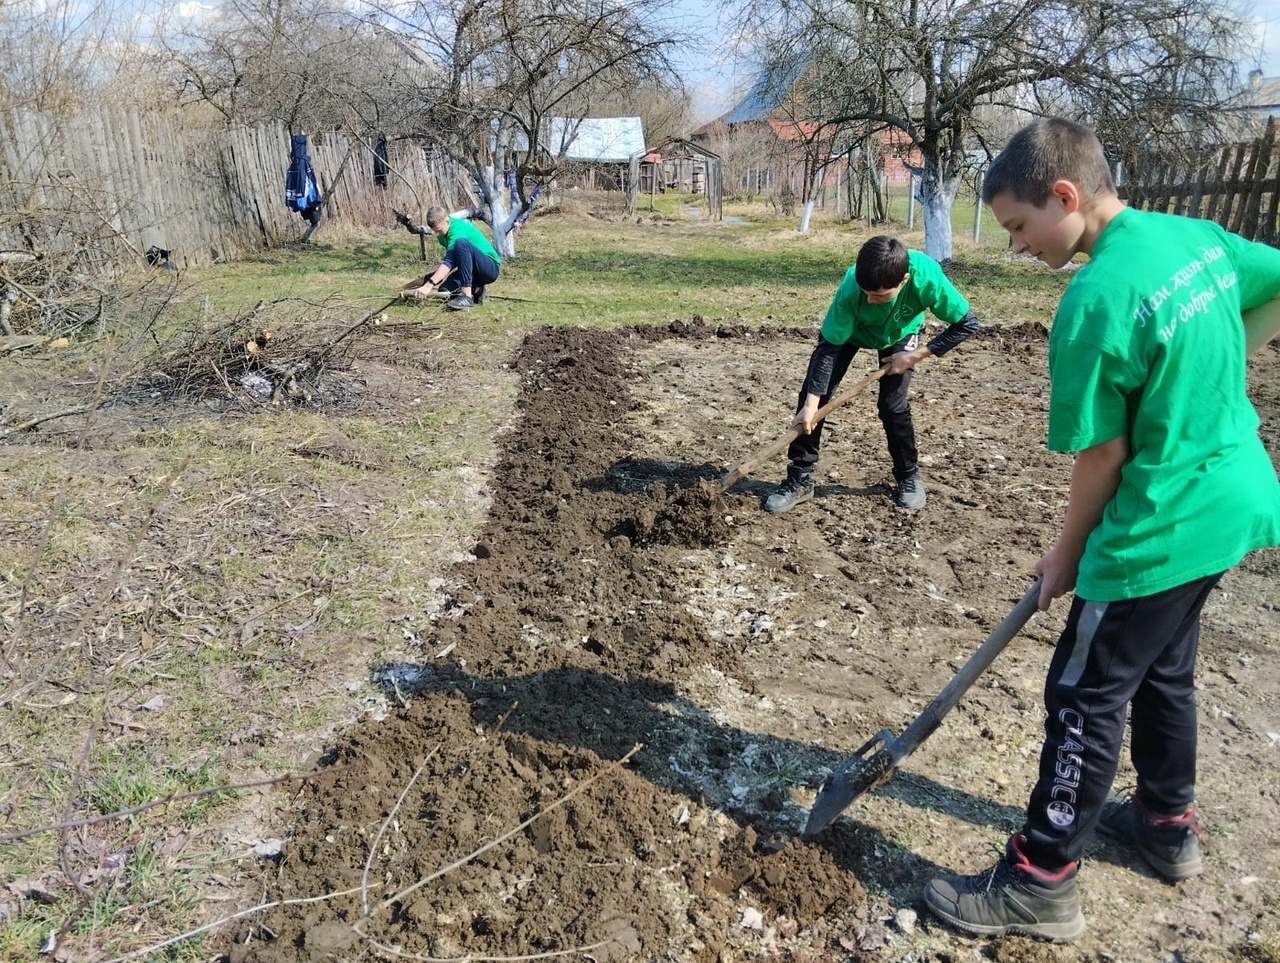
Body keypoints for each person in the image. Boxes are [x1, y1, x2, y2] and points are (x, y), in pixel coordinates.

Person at [922, 117, 1280, 942]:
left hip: (1159, 523)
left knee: (1084, 692)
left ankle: (1042, 877)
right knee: (1163, 670)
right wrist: (1202, 384)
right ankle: (1164, 827)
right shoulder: (1191, 236)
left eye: (1017, 226)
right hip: (1233, 499)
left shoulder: (1094, 298)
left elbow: (1104, 458)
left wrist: (1067, 555)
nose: (1014, 248)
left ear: (1066, 196)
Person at [763, 235, 979, 513]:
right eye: (866, 292)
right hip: (852, 333)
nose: (870, 299)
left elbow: (967, 323)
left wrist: (913, 355)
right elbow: (827, 349)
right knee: (813, 396)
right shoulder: (851, 288)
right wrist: (811, 406)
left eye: (878, 296)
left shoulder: (926, 277)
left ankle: (908, 476)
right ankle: (800, 479)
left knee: (892, 405)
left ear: (903, 280)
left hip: (901, 334)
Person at [412, 206, 501, 311]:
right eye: (434, 231)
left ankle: (467, 296)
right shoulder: (444, 232)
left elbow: (449, 261)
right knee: (445, 291)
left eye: (439, 230)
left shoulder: (457, 230)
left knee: (461, 243)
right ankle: (477, 289)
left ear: (447, 221)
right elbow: (455, 259)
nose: (437, 234)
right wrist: (437, 276)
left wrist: (428, 285)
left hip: (489, 268)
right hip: (473, 271)